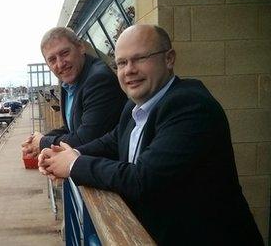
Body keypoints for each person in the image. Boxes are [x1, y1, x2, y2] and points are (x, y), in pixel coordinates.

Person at [39, 24, 263, 245]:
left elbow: (143, 180)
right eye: (122, 63)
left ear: (169, 59)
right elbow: (112, 141)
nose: (129, 70)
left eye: (140, 58)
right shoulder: (134, 106)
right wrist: (63, 154)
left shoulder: (190, 105)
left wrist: (73, 165)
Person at [21, 27, 127, 158]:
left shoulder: (98, 80)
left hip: (101, 172)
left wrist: (43, 142)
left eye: (64, 53)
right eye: (52, 59)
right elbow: (72, 129)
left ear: (80, 47)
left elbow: (85, 139)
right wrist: (37, 141)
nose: (60, 64)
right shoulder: (70, 82)